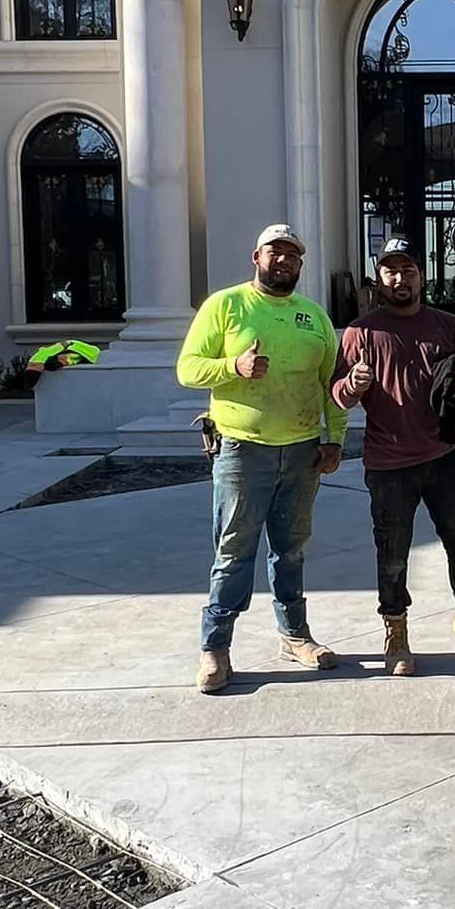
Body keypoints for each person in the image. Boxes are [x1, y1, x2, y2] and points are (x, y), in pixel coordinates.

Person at [176, 223, 346, 693]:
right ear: (257, 257)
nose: (283, 260)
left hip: (302, 450)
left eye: (292, 254)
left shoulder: (313, 316)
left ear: (300, 264)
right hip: (241, 450)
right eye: (275, 252)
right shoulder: (226, 305)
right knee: (233, 553)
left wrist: (335, 441)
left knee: (290, 550)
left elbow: (330, 387)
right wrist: (234, 367)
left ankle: (295, 636)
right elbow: (188, 369)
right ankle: (215, 649)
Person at [332, 236, 455, 676]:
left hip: (447, 456)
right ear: (378, 277)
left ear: (421, 275)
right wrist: (355, 386)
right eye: (390, 271)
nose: (399, 278)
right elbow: (338, 397)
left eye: (407, 270)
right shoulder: (360, 332)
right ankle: (396, 629)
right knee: (393, 553)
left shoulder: (448, 325)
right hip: (388, 464)